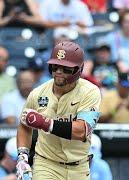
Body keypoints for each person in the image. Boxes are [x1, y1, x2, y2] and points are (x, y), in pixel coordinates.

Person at [16, 41, 101, 180]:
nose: (59, 72)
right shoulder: (37, 93)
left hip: (79, 166)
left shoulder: (90, 92)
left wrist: (45, 123)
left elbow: (81, 131)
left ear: (79, 69)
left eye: (66, 68)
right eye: (55, 66)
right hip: (47, 163)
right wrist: (22, 158)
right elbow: (24, 124)